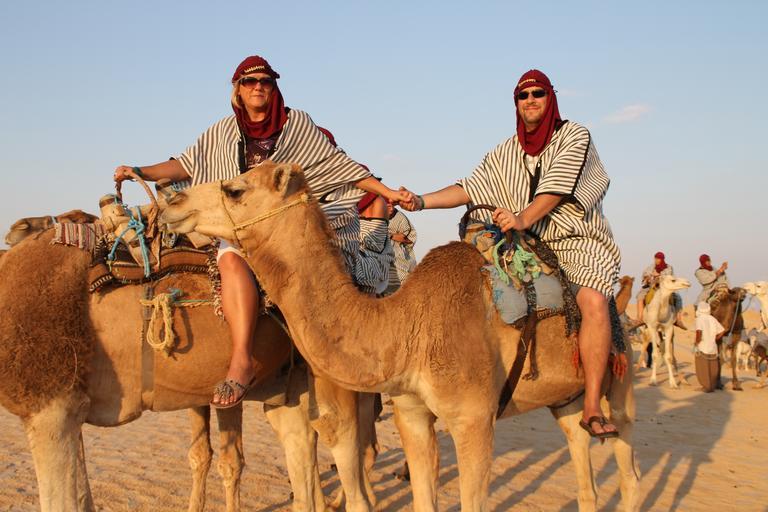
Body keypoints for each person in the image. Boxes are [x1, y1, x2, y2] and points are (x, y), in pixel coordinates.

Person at [114, 55, 406, 408]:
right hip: (242, 225)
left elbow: (339, 165)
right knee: (230, 258)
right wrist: (140, 171)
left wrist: (386, 192)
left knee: (328, 284)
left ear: (274, 88)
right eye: (249, 82)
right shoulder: (222, 133)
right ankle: (242, 360)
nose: (257, 87)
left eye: (265, 82)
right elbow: (186, 165)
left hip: (289, 227)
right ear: (237, 90)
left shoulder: (297, 126)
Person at [399, 69, 621, 439]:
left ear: (550, 98)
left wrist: (522, 218)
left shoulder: (574, 135)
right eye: (523, 95)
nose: (530, 100)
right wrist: (421, 201)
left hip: (574, 239)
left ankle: (593, 403)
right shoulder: (505, 152)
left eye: (538, 93)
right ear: (516, 103)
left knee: (594, 301)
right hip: (522, 241)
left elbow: (557, 188)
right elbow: (469, 187)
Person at [384, 204, 417, 295]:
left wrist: (390, 235)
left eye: (392, 205)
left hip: (399, 258)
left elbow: (409, 239)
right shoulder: (375, 216)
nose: (391, 208)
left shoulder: (401, 219)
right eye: (388, 205)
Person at [694, 301, 726, 392]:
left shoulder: (699, 319)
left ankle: (706, 387)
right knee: (713, 367)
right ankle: (712, 386)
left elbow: (699, 332)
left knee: (702, 367)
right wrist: (714, 339)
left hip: (703, 346)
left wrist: (697, 342)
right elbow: (722, 331)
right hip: (712, 347)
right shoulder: (712, 319)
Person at [635, 252, 673, 324]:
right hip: (651, 286)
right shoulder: (651, 267)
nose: (656, 260)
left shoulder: (668, 267)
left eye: (658, 259)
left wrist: (658, 275)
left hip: (664, 286)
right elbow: (645, 274)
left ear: (662, 259)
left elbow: (668, 276)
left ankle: (678, 319)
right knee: (640, 296)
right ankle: (639, 318)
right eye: (655, 258)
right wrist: (647, 278)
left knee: (678, 298)